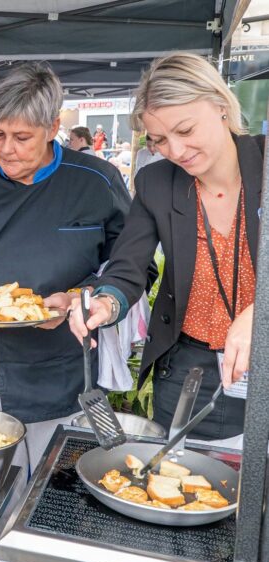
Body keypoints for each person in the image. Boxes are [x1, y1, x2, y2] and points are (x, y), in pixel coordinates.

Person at [0, 62, 131, 471]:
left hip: (64, 367)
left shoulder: (95, 181)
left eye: (21, 137)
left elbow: (129, 268)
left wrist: (75, 299)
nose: (5, 149)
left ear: (53, 128)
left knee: (55, 487)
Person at [68, 53, 260, 443]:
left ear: (221, 105)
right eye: (159, 140)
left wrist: (260, 315)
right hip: (189, 371)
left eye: (185, 130)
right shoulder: (157, 183)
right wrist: (105, 303)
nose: (175, 150)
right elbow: (128, 268)